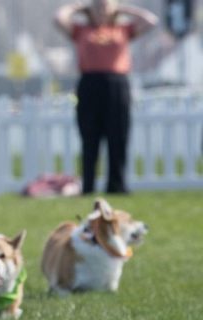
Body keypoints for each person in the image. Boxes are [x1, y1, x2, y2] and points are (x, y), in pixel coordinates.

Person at [55, 0, 157, 194]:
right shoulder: (81, 31)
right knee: (90, 138)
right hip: (90, 84)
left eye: (105, 6)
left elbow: (151, 21)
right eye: (97, 7)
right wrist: (79, 8)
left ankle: (116, 185)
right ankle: (88, 186)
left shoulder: (123, 30)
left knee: (118, 137)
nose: (101, 11)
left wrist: (122, 10)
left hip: (116, 84)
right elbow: (59, 18)